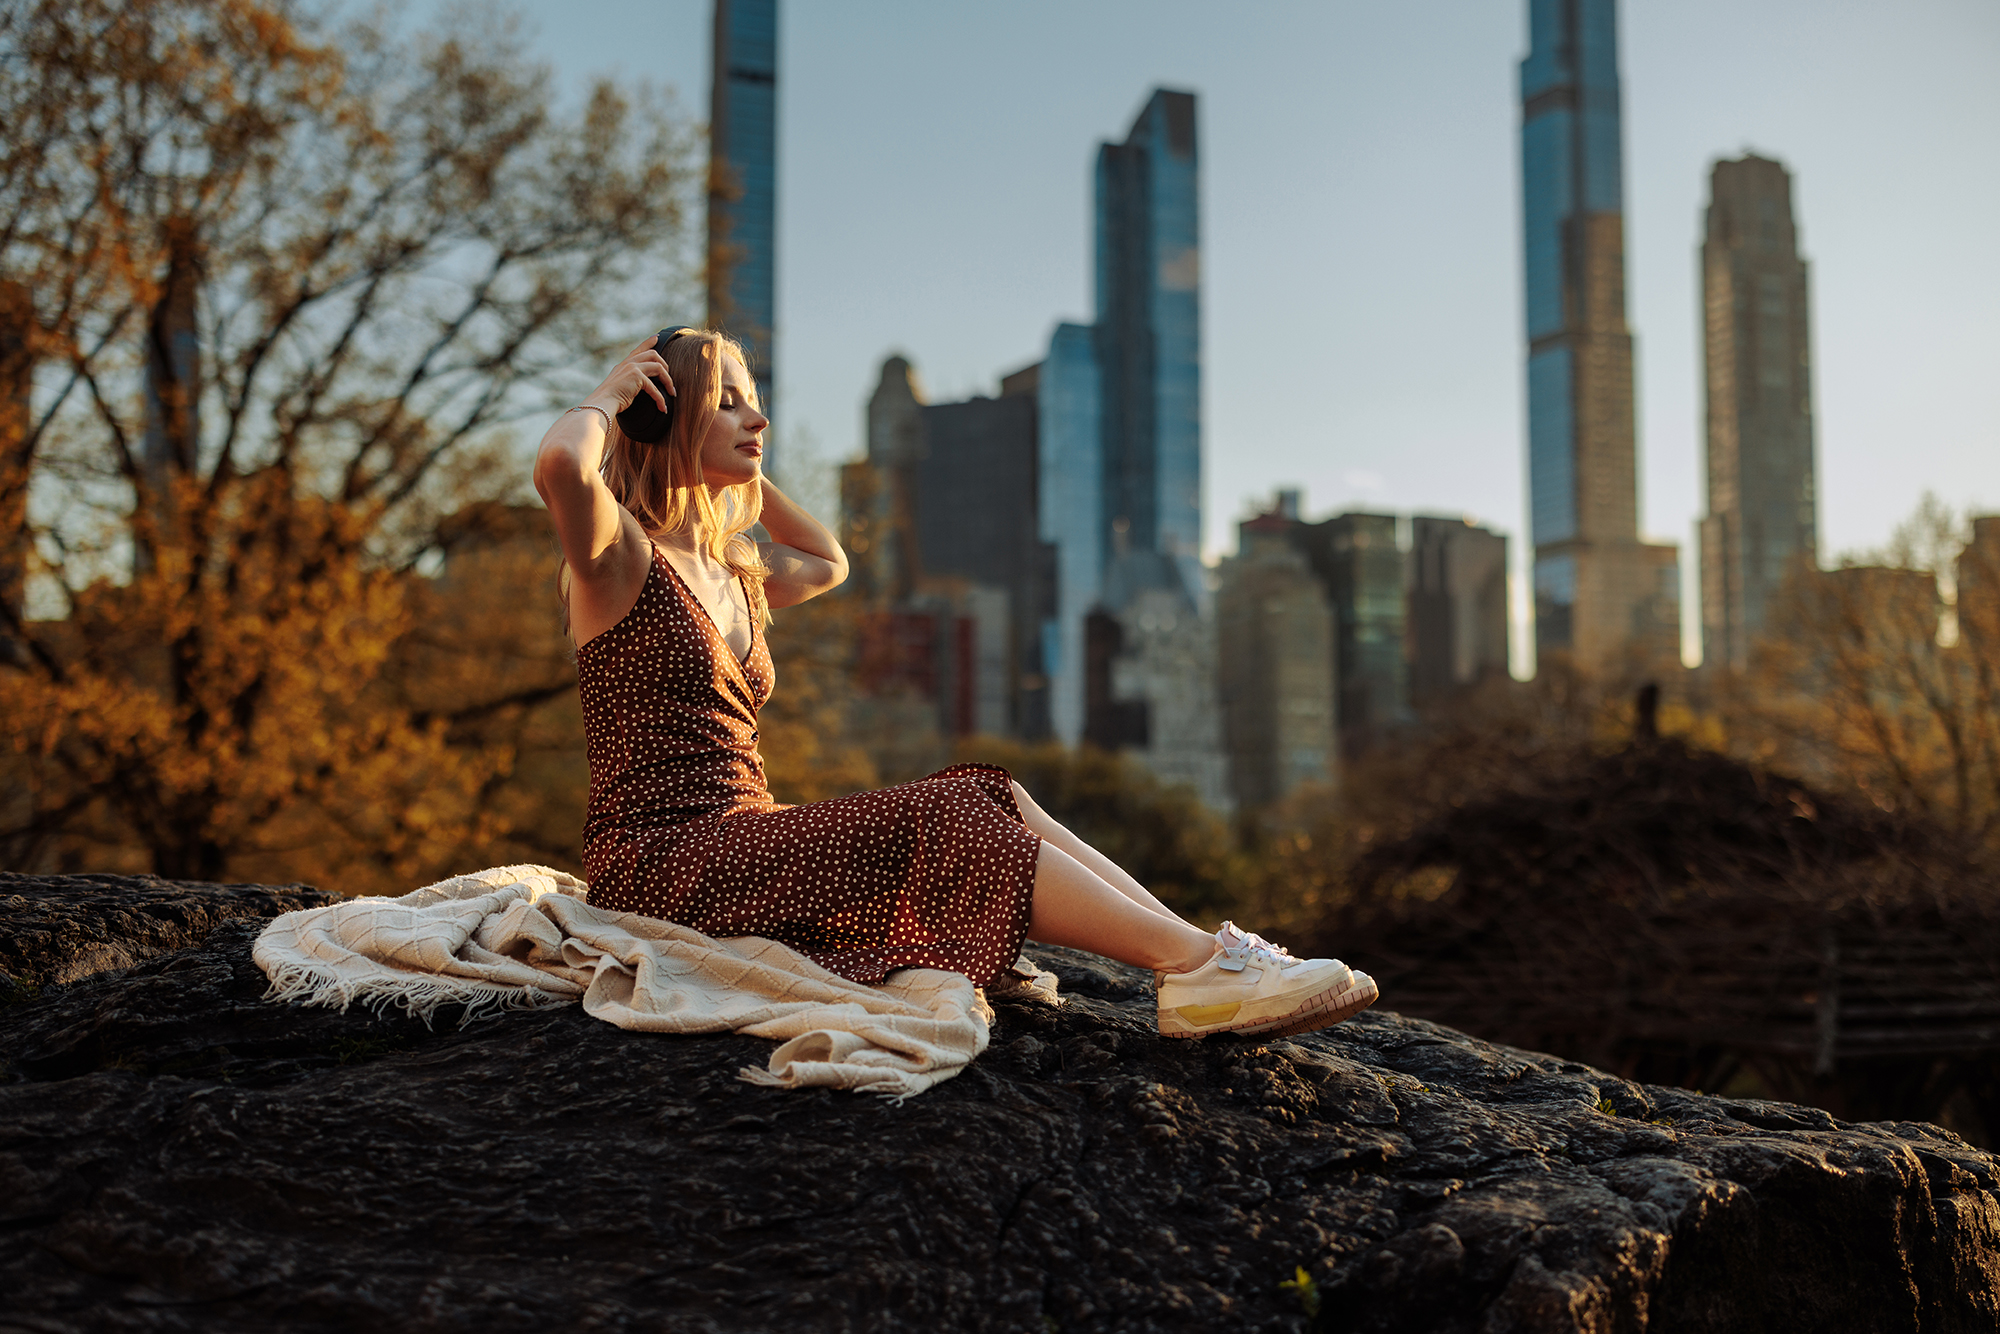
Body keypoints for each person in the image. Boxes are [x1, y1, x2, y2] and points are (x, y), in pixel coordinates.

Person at [533, 328, 1376, 1039]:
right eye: (727, 401)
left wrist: (737, 462)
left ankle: (1200, 956)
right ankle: (1193, 969)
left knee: (988, 791)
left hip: (745, 837)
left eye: (753, 399)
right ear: (659, 413)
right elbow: (565, 471)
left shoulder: (734, 567)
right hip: (660, 863)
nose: (757, 418)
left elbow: (829, 562)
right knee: (943, 813)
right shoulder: (618, 560)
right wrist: (610, 397)